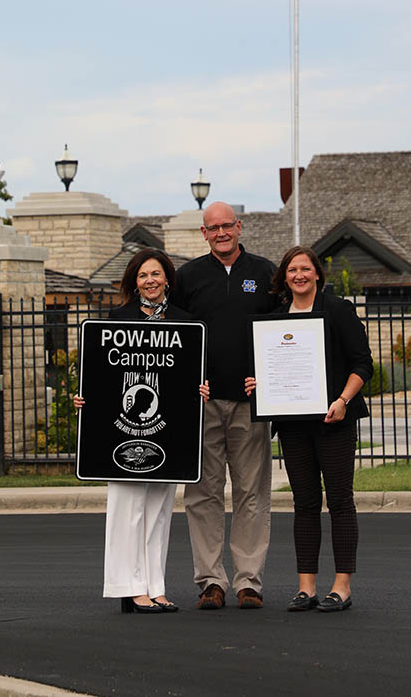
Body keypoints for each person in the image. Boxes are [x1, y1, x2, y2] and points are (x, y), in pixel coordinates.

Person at [75, 247, 208, 615]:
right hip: (122, 432)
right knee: (127, 508)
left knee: (160, 510)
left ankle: (154, 586)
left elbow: (189, 375)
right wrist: (85, 396)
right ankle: (128, 586)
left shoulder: (186, 322)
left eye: (156, 274)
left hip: (167, 433)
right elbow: (100, 374)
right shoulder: (116, 319)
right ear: (134, 283)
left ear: (167, 279)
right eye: (143, 276)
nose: (150, 281)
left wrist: (201, 389)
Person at [246, 245, 373, 613]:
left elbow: (362, 364)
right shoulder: (275, 319)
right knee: (304, 504)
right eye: (292, 270)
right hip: (292, 425)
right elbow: (270, 368)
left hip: (334, 420)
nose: (299, 275)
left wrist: (343, 401)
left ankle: (342, 586)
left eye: (305, 268)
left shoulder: (337, 310)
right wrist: (260, 386)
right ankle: (306, 588)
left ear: (317, 273)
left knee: (339, 502)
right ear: (284, 277)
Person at [173, 201, 276, 610]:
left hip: (251, 404)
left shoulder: (265, 273)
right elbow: (173, 335)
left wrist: (269, 380)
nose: (220, 233)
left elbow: (284, 333)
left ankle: (248, 581)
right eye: (212, 228)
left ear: (239, 226)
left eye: (227, 226)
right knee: (203, 494)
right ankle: (211, 581)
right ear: (204, 233)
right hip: (203, 404)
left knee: (252, 493)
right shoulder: (188, 277)